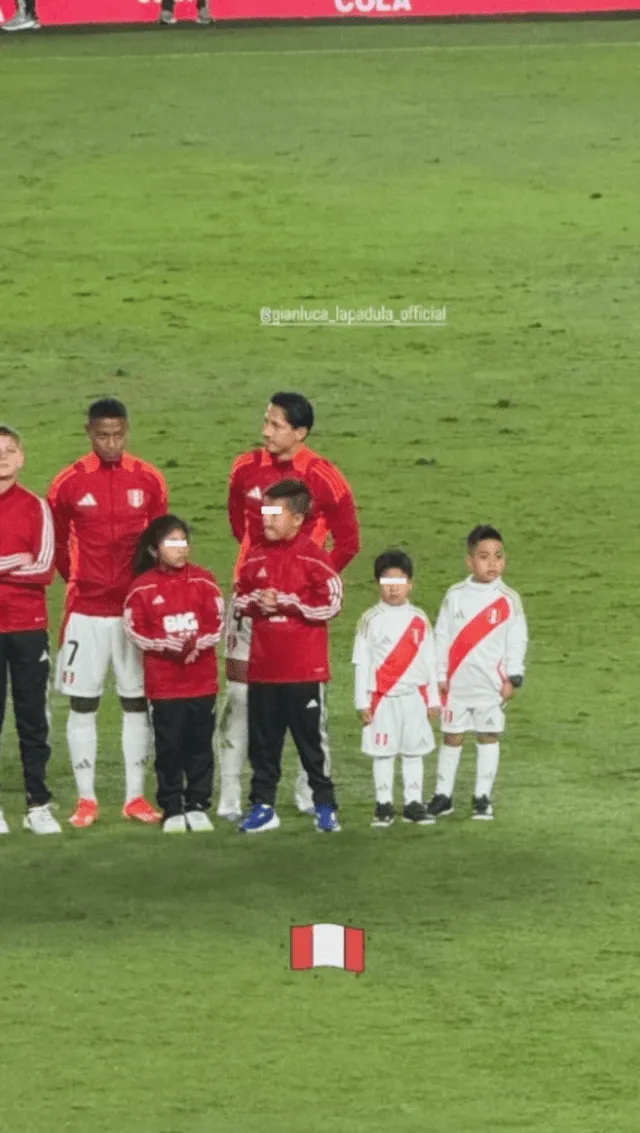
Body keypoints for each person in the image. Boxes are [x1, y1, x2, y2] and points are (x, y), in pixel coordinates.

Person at [218, 391, 359, 822]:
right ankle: (233, 794)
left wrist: (310, 582)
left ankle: (307, 793)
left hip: (298, 615)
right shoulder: (244, 467)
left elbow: (349, 541)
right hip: (249, 604)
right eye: (266, 421)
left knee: (304, 704)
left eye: (277, 425)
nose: (266, 431)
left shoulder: (324, 475)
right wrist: (260, 577)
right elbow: (236, 527)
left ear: (300, 432)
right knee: (241, 697)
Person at [47, 398, 169, 829]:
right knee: (83, 703)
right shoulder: (67, 484)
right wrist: (82, 580)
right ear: (89, 433)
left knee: (137, 702)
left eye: (118, 434)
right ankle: (86, 801)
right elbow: (58, 545)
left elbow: (160, 542)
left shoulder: (149, 480)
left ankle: (135, 798)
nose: (112, 442)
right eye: (103, 435)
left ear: (127, 431)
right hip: (86, 610)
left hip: (134, 612)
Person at [233, 479, 342, 835]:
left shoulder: (314, 558)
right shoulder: (255, 557)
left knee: (312, 744)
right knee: (264, 746)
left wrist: (289, 603)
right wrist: (256, 603)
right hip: (263, 670)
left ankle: (325, 807)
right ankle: (263, 807)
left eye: (274, 513)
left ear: (297, 518)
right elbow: (238, 599)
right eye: (264, 511)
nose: (266, 520)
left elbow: (333, 604)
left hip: (304, 671)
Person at [123, 516, 224, 834]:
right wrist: (165, 645)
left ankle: (197, 805)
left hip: (201, 681)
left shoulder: (204, 581)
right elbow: (134, 630)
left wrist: (197, 644)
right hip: (165, 685)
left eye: (184, 541)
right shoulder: (142, 588)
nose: (181, 549)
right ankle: (172, 807)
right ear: (155, 549)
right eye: (172, 542)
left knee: (200, 745)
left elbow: (218, 623)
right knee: (169, 747)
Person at [428, 525, 528, 821]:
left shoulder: (509, 599)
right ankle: (443, 795)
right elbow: (441, 635)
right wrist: (439, 675)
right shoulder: (455, 595)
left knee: (488, 736)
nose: (492, 563)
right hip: (457, 685)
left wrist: (514, 676)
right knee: (452, 737)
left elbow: (517, 639)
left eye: (498, 556)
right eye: (484, 557)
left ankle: (482, 796)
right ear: (469, 561)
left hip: (490, 686)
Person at [0, 425, 60, 835]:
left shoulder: (37, 507)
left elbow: (43, 569)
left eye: (9, 450)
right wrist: (12, 561)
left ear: (21, 458)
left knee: (32, 717)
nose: (2, 457)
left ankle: (38, 804)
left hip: (27, 627)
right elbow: (26, 564)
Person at [353, 550, 441, 828]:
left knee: (414, 751)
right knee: (384, 752)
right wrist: (362, 701)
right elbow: (362, 662)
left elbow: (430, 660)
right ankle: (384, 804)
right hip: (383, 699)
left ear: (410, 584)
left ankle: (414, 803)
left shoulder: (419, 619)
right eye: (386, 580)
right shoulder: (369, 620)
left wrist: (434, 700)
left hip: (413, 697)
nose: (393, 587)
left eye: (399, 580)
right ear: (377, 584)